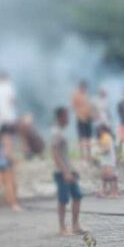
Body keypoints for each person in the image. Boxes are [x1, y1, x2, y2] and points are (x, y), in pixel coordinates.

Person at [50, 107, 83, 235]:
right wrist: (65, 172)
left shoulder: (61, 132)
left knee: (77, 196)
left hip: (69, 170)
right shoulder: (56, 132)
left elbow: (64, 154)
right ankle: (62, 227)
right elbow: (55, 153)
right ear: (60, 117)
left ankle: (75, 225)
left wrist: (72, 169)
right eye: (66, 116)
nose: (68, 119)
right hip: (61, 172)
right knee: (63, 199)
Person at [0, 122, 20, 211]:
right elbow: (7, 153)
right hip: (6, 163)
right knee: (9, 184)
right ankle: (13, 204)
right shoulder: (7, 138)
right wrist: (14, 161)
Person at [71, 80, 95, 162]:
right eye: (83, 87)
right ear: (80, 87)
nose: (84, 89)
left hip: (88, 118)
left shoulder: (86, 96)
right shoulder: (76, 95)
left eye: (85, 88)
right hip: (80, 118)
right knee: (81, 137)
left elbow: (90, 107)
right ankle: (82, 155)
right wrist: (80, 116)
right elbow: (74, 107)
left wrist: (92, 116)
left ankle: (89, 155)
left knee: (88, 137)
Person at [95, 123, 119, 198]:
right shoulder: (103, 137)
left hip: (109, 159)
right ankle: (104, 191)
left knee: (111, 176)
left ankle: (114, 193)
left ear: (102, 130)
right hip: (105, 159)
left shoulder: (106, 137)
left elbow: (107, 149)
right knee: (104, 176)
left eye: (99, 130)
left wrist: (99, 152)